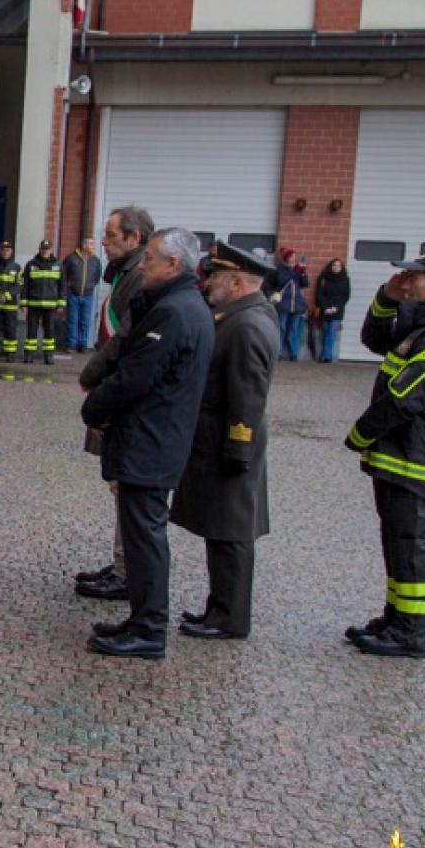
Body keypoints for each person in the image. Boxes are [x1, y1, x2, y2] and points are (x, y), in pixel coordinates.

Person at [79, 228, 214, 660]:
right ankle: (141, 620)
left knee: (145, 538)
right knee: (142, 537)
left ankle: (149, 630)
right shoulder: (176, 305)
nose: (143, 265)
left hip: (151, 442)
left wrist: (95, 408)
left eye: (151, 258)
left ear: (173, 265)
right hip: (152, 439)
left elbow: (137, 375)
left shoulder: (176, 312)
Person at [343, 252, 425, 659]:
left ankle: (412, 633)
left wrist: (360, 433)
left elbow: (403, 398)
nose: (407, 280)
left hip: (416, 455)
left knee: (413, 541)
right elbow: (375, 340)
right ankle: (396, 618)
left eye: (415, 277)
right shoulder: (424, 322)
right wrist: (387, 297)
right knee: (397, 539)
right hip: (399, 452)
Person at [170, 243, 279, 640]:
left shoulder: (247, 325)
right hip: (218, 439)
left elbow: (248, 397)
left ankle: (229, 618)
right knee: (222, 528)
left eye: (216, 276)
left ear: (237, 282)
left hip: (230, 442)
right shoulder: (239, 316)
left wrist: (238, 447)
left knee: (232, 532)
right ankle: (219, 609)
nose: (209, 282)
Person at [73, 205, 154, 600]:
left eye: (110, 235)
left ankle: (126, 571)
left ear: (134, 239)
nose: (102, 241)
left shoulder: (138, 278)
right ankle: (122, 563)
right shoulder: (123, 273)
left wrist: (97, 381)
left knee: (127, 485)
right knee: (119, 484)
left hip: (123, 398)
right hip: (114, 392)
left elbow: (125, 343)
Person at [21, 239, 66, 365]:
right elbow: (25, 285)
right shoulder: (31, 264)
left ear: (51, 250)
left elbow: (62, 285)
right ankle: (29, 355)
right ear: (39, 250)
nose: (45, 252)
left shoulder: (58, 264)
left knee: (50, 331)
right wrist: (23, 303)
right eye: (43, 249)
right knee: (31, 331)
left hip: (50, 305)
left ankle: (49, 356)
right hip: (34, 304)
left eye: (47, 249)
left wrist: (61, 303)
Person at [265, 247, 310, 361]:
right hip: (283, 303)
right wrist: (295, 271)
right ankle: (278, 352)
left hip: (297, 304)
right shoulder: (279, 270)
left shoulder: (298, 270)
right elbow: (282, 281)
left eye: (294, 256)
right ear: (286, 258)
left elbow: (305, 284)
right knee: (281, 327)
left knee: (294, 329)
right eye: (291, 257)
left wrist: (303, 273)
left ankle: (293, 353)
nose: (293, 259)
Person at [62, 237, 102, 352]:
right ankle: (71, 345)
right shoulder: (71, 258)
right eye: (90, 244)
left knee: (85, 321)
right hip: (73, 294)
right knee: (72, 320)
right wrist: (66, 290)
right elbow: (64, 275)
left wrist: (90, 286)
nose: (93, 247)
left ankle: (83, 344)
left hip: (88, 295)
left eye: (93, 244)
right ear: (83, 245)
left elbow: (97, 277)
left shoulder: (96, 261)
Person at [313, 258, 351, 363]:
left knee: (331, 332)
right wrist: (325, 307)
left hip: (337, 311)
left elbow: (346, 296)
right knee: (325, 331)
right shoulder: (324, 278)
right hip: (325, 310)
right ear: (331, 266)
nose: (336, 267)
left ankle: (326, 356)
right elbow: (319, 294)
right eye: (334, 265)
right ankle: (324, 354)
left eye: (338, 266)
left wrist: (336, 308)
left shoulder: (345, 279)